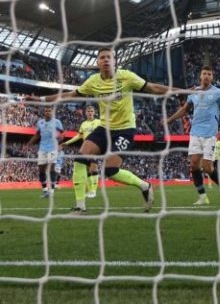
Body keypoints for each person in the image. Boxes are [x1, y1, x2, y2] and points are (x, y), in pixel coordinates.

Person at [25, 48, 175, 214]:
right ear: (97, 62)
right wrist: (40, 99)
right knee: (80, 159)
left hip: (125, 130)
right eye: (102, 57)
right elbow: (69, 95)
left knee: (110, 171)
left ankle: (145, 186)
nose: (106, 60)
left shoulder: (126, 76)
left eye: (109, 57)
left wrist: (179, 91)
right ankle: (80, 207)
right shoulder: (93, 81)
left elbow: (152, 87)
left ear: (114, 61)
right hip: (104, 128)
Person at [166, 66, 220, 206]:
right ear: (200, 76)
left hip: (210, 134)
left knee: (208, 167)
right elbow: (184, 109)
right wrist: (169, 120)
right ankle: (203, 197)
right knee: (194, 166)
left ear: (212, 77)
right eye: (204, 73)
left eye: (209, 74)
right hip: (195, 133)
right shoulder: (193, 92)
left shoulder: (218, 92)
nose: (206, 76)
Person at [62, 105, 102, 198]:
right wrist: (67, 142)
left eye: (91, 111)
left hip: (95, 146)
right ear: (85, 113)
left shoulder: (99, 122)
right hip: (86, 148)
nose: (90, 113)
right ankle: (91, 190)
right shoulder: (83, 124)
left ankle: (93, 191)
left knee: (93, 167)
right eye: (88, 111)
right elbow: (79, 136)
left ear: (94, 112)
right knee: (88, 169)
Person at [25, 106, 63, 198]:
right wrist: (29, 144)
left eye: (49, 110)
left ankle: (52, 191)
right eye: (46, 111)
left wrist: (59, 142)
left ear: (52, 112)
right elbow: (37, 135)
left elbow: (62, 134)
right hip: (42, 148)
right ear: (44, 112)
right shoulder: (40, 122)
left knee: (52, 169)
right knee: (41, 170)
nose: (48, 112)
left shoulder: (57, 122)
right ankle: (45, 190)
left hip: (53, 148)